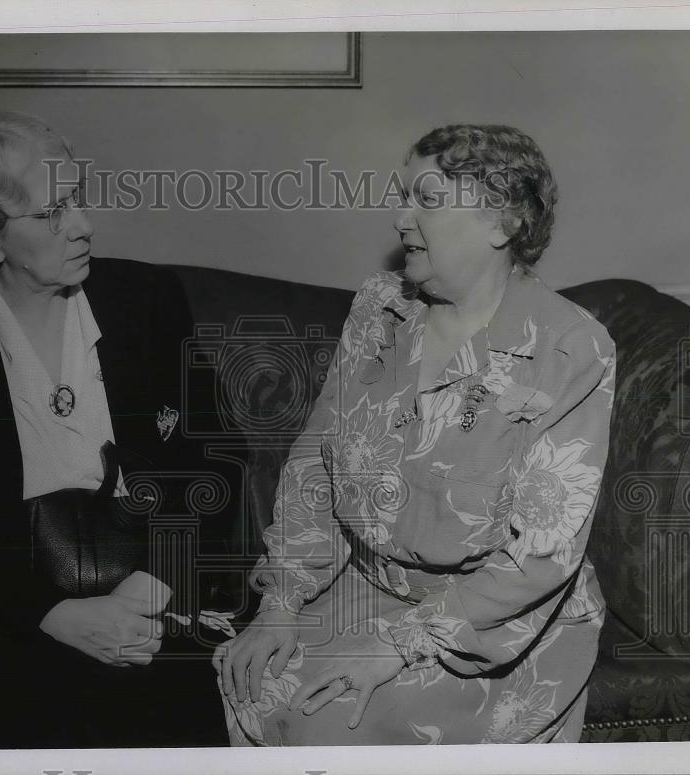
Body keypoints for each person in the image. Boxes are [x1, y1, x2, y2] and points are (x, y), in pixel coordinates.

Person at [214, 124, 616, 745]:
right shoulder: (379, 307)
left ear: (502, 222)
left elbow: (541, 556)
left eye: (425, 200)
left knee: (330, 725)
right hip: (362, 587)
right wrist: (282, 604)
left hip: (490, 622)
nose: (400, 218)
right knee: (253, 679)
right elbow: (315, 465)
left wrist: (395, 646)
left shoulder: (571, 348)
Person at [0, 111, 237, 749]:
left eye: (78, 200)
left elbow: (218, 456)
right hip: (14, 623)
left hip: (154, 594)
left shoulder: (146, 303)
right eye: (52, 212)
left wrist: (155, 583)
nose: (83, 225)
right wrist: (53, 615)